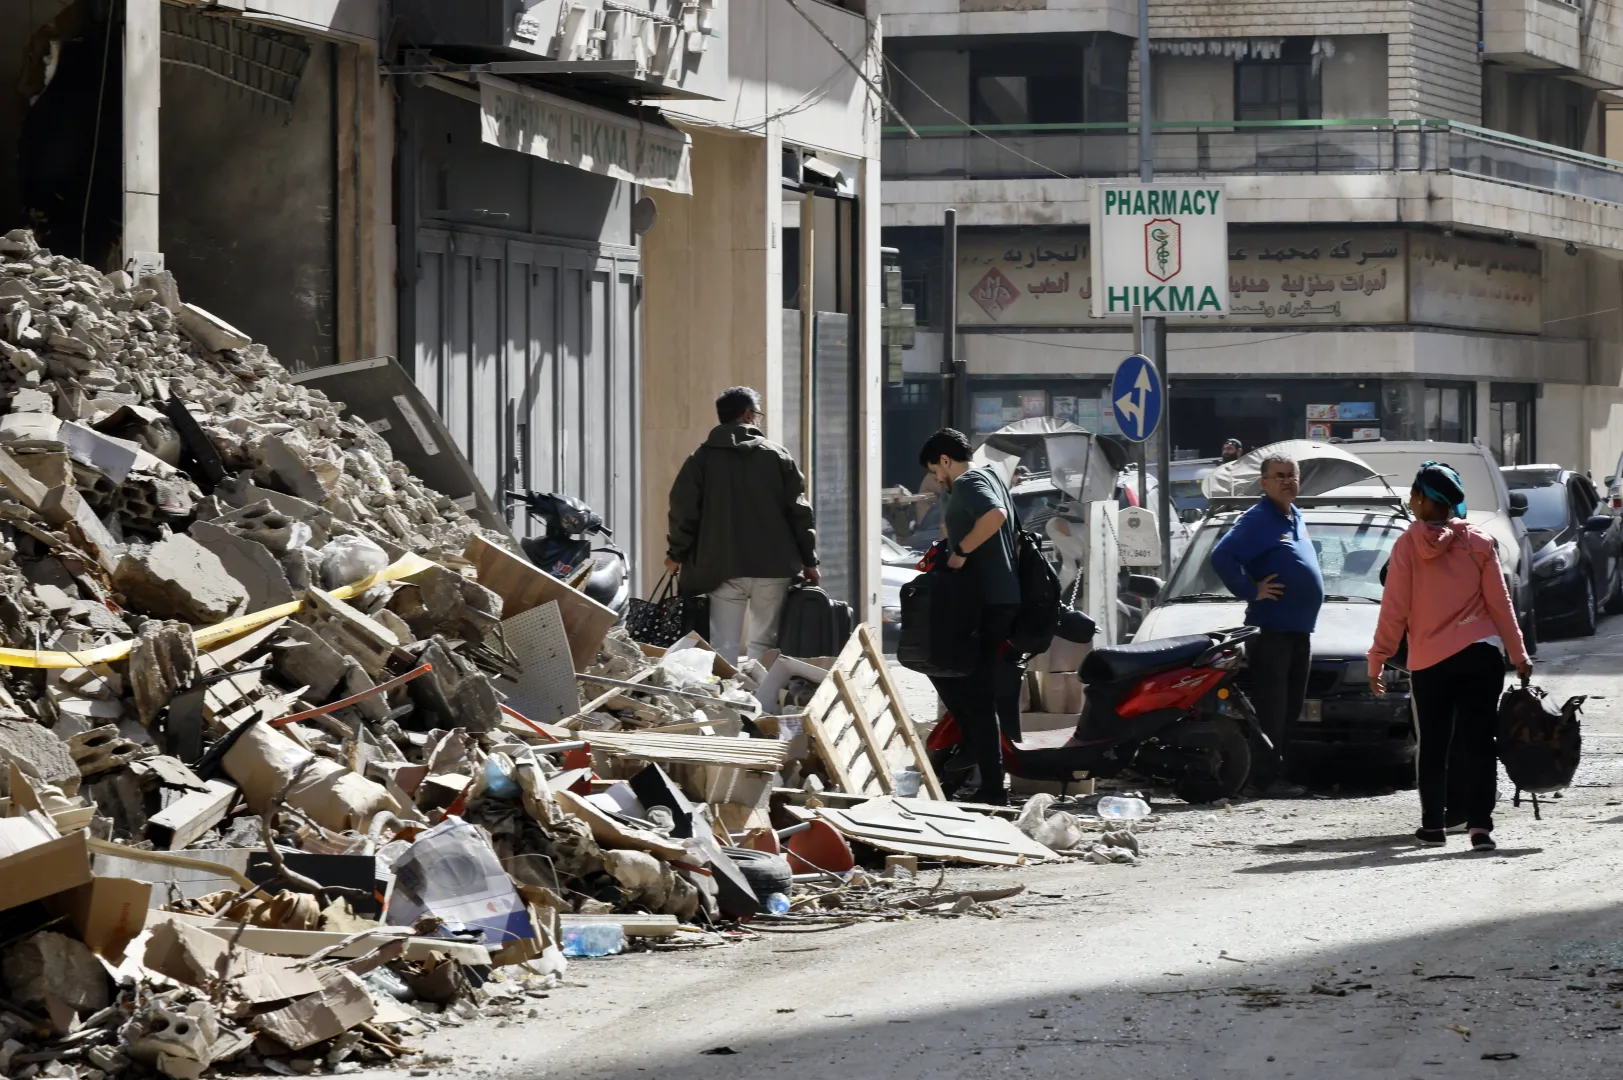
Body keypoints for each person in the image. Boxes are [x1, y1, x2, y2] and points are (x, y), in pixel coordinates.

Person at [1368, 461, 1532, 852]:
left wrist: (1377, 658)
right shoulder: (1479, 543)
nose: (1410, 499)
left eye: (1413, 493)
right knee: (1479, 742)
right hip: (1481, 658)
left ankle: (1432, 827)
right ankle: (1480, 829)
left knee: (1435, 745)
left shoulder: (1407, 546)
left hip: (1430, 662)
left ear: (1423, 499)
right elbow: (1500, 604)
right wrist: (1519, 652)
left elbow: (1395, 610)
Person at [665, 387, 819, 664]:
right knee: (764, 642)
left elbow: (683, 509)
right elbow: (800, 513)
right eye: (758, 414)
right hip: (774, 566)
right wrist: (809, 561)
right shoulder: (777, 456)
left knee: (724, 644)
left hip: (721, 566)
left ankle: (730, 703)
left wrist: (677, 553)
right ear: (748, 415)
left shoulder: (700, 459)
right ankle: (761, 702)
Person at [918, 427, 1023, 805]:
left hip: (983, 602)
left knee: (965, 688)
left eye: (935, 470)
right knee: (968, 689)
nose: (937, 479)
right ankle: (979, 764)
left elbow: (993, 516)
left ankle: (993, 787)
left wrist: (960, 552)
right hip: (997, 600)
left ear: (946, 460)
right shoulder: (991, 475)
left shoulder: (968, 482)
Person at [1210, 452, 1323, 797]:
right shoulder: (1258, 519)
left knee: (1290, 707)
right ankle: (1263, 780)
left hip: (1298, 629)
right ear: (1264, 483)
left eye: (1292, 475)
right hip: (1271, 629)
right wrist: (1251, 590)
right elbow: (1221, 556)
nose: (1288, 481)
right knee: (1272, 710)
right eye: (1279, 476)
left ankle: (1280, 774)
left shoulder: (1295, 515)